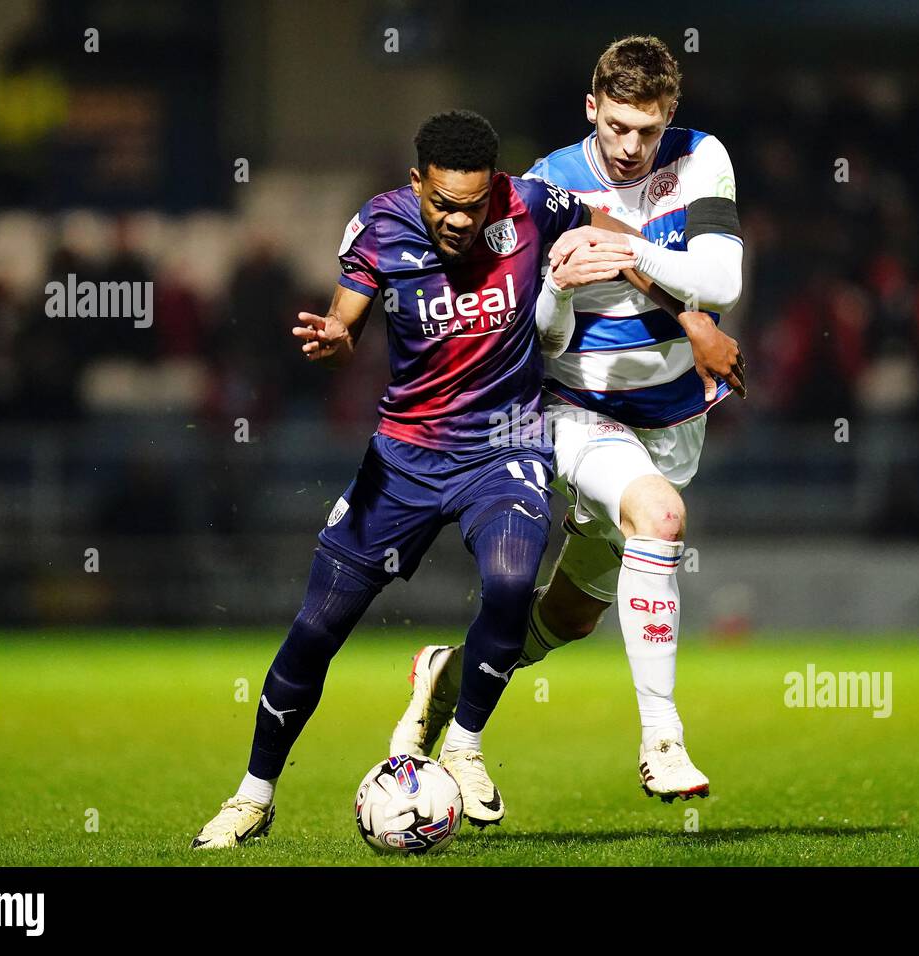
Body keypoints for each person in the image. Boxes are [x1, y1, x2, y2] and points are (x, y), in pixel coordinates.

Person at [191, 109, 634, 845]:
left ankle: (462, 741)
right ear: (415, 182)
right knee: (316, 629)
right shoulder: (378, 227)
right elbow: (343, 327)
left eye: (470, 206)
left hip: (505, 447)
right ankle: (253, 795)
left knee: (511, 582)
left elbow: (610, 229)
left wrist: (683, 310)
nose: (456, 222)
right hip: (404, 458)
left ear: (492, 187)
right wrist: (334, 342)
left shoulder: (530, 203)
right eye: (441, 204)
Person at [389, 35, 746, 802]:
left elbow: (721, 278)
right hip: (576, 405)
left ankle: (446, 679)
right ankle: (662, 739)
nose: (629, 146)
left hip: (673, 416)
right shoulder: (545, 186)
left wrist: (633, 258)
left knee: (569, 619)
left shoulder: (702, 158)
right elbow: (539, 336)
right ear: (592, 109)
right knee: (661, 516)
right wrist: (555, 285)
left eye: (646, 130)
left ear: (670, 116)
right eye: (616, 126)